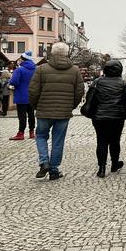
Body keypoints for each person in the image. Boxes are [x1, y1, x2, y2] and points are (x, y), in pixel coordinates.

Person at [29, 42, 85, 180]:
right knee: (58, 140)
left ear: (52, 53)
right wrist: (71, 105)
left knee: (41, 136)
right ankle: (54, 170)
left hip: (44, 110)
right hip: (63, 112)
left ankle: (44, 162)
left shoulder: (41, 69)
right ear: (67, 53)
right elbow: (80, 92)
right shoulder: (74, 70)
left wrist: (36, 105)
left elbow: (33, 90)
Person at [91, 60, 126, 178]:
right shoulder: (124, 84)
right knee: (115, 140)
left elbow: (91, 98)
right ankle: (114, 164)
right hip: (117, 117)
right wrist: (125, 113)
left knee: (101, 141)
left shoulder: (97, 82)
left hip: (99, 116)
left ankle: (102, 168)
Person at [9, 51, 37, 140]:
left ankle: (20, 133)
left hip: (21, 95)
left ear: (22, 59)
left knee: (22, 115)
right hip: (32, 95)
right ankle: (32, 132)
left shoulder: (19, 69)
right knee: (31, 114)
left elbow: (14, 82)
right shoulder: (35, 69)